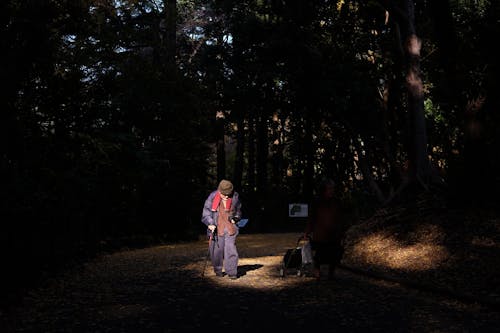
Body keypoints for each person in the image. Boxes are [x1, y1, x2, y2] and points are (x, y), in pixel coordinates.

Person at [304, 178, 345, 280]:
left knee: (335, 253)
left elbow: (340, 217)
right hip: (320, 234)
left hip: (334, 234)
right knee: (319, 254)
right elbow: (311, 218)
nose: (331, 190)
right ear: (324, 190)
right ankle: (317, 271)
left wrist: (342, 231)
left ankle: (331, 272)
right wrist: (307, 231)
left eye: (332, 188)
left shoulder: (336, 202)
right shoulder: (317, 202)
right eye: (329, 188)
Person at [201, 179, 242, 280]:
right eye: (224, 194)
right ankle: (218, 270)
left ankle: (232, 272)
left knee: (231, 249)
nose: (227, 196)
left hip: (230, 228)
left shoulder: (235, 196)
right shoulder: (212, 197)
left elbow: (238, 211)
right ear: (219, 191)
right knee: (216, 251)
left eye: (229, 194)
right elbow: (206, 213)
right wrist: (210, 223)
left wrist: (236, 218)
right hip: (217, 227)